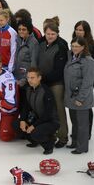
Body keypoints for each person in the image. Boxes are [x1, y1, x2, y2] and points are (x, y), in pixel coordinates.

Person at [37, 18, 69, 148]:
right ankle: (50, 135)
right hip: (42, 82)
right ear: (44, 33)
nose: (50, 36)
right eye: (48, 33)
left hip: (56, 83)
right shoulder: (41, 42)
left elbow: (59, 70)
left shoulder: (61, 46)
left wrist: (42, 78)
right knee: (47, 110)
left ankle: (63, 137)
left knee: (59, 109)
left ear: (57, 34)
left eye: (53, 34)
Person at [15, 67, 59, 155]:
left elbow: (48, 114)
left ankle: (49, 144)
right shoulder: (28, 89)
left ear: (39, 78)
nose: (29, 80)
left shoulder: (46, 91)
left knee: (36, 132)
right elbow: (25, 107)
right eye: (28, 78)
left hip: (50, 121)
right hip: (37, 119)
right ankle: (34, 141)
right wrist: (23, 120)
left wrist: (33, 126)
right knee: (16, 124)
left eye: (32, 78)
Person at [64, 37, 94, 154]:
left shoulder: (88, 61)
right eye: (73, 46)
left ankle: (82, 147)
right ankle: (75, 142)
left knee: (82, 124)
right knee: (75, 122)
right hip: (72, 96)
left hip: (82, 98)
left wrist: (81, 98)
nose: (74, 48)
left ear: (83, 47)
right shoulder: (71, 57)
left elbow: (88, 82)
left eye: (77, 46)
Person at [14, 20, 39, 96]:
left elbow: (34, 63)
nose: (21, 31)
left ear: (29, 30)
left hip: (26, 81)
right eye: (19, 29)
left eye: (24, 29)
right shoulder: (18, 39)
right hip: (17, 77)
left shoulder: (33, 43)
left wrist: (26, 79)